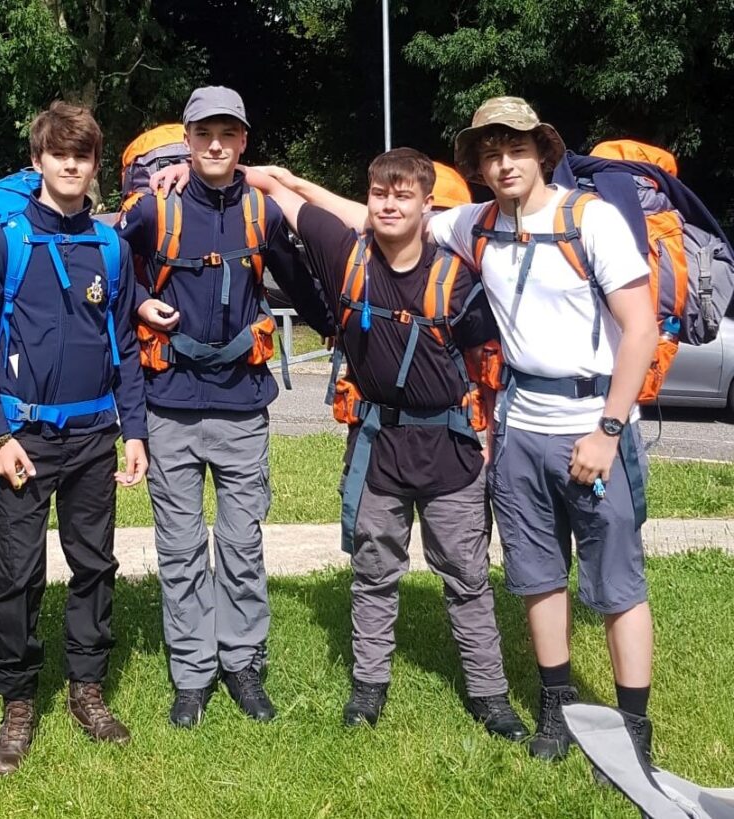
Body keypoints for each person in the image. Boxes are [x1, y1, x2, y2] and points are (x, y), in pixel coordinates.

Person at [233, 149, 528, 738]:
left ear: (426, 206)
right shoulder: (347, 256)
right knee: (373, 573)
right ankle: (368, 690)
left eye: (403, 196)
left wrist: (488, 429)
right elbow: (283, 197)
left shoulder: (456, 276)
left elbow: (487, 360)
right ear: (368, 200)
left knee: (468, 579)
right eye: (379, 194)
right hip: (377, 448)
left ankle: (491, 697)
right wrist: (205, 168)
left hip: (450, 450)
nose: (389, 205)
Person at [427, 96, 658, 763]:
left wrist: (608, 432)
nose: (504, 163)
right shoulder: (476, 223)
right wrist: (275, 181)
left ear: (542, 153)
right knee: (536, 577)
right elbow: (385, 215)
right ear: (476, 164)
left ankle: (634, 728)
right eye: (491, 153)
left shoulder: (592, 220)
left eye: (516, 150)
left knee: (617, 583)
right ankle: (556, 709)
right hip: (520, 427)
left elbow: (640, 329)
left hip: (594, 426)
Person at [116, 86, 334, 728]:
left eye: (228, 134)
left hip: (242, 408)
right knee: (181, 550)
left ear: (243, 142)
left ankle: (242, 665)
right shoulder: (154, 211)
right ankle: (192, 675)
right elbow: (107, 276)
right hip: (170, 406)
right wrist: (135, 304)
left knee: (242, 546)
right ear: (187, 138)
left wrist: (355, 332)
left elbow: (305, 286)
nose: (216, 144)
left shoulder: (262, 213)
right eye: (204, 133)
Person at [0, 101, 148, 773]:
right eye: (59, 154)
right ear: (37, 161)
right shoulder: (1, 242)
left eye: (83, 155)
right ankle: (17, 698)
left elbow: (123, 341)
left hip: (96, 432)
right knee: (18, 573)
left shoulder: (111, 247)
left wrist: (135, 430)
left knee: (94, 565)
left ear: (96, 165)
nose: (71, 164)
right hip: (23, 440)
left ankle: (86, 687)